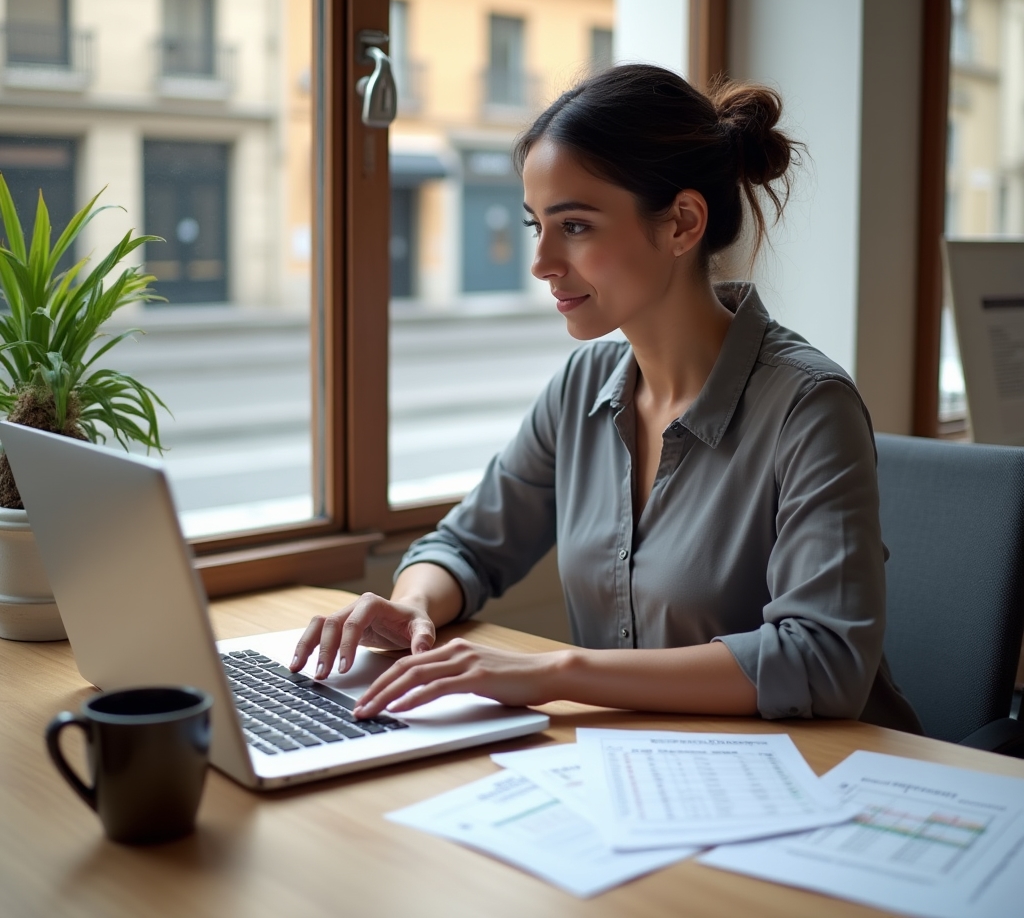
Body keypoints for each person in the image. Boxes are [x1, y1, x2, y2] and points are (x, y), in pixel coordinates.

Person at [291, 64, 921, 734]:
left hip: (821, 786)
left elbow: (823, 662)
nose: (541, 262)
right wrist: (414, 603)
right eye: (537, 225)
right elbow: (468, 547)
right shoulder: (583, 385)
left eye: (577, 226)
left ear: (681, 223)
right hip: (639, 771)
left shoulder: (809, 407)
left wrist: (556, 674)